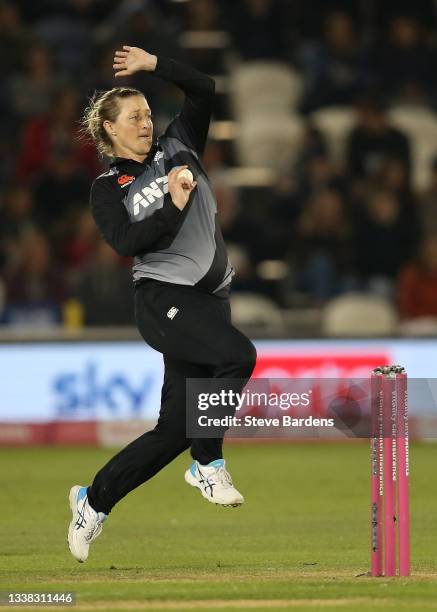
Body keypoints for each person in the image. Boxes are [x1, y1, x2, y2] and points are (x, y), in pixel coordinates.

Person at [67, 45, 257, 563]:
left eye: (148, 114)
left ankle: (93, 500)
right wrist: (172, 206)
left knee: (173, 429)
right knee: (239, 357)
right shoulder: (108, 188)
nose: (147, 123)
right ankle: (208, 463)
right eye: (134, 118)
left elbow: (206, 89)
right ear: (109, 129)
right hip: (163, 300)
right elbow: (127, 242)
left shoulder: (180, 144)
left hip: (207, 301)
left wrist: (154, 66)